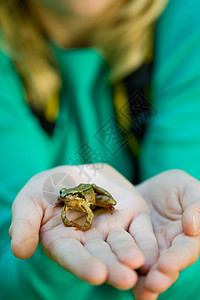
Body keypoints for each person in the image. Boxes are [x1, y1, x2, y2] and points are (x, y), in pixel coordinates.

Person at [0, 0, 200, 300]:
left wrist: (170, 254)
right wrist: (48, 252)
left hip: (96, 199)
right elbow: (10, 252)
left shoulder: (188, 21)